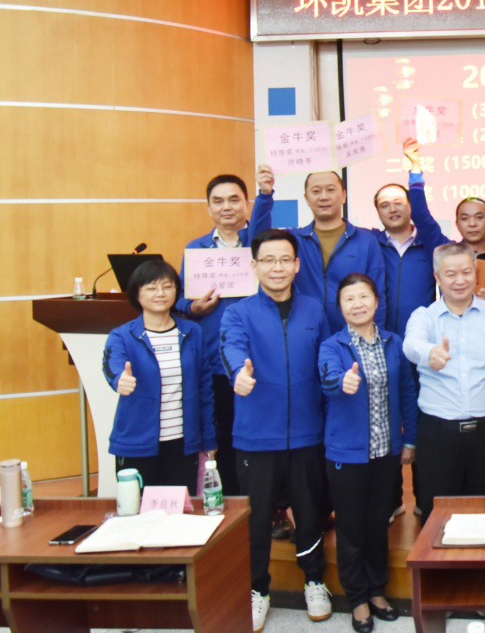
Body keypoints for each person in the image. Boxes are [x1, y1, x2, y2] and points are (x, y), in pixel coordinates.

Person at [402, 242, 485, 633]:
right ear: (437, 277)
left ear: (477, 273)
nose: (459, 280)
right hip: (437, 432)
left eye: (466, 272)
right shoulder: (424, 317)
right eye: (450, 274)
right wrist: (429, 354)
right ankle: (440, 595)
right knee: (436, 516)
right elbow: (410, 345)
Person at [220, 229, 332, 632]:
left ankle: (315, 581)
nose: (277, 268)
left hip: (308, 432)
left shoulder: (315, 310)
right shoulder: (238, 313)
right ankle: (257, 589)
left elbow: (327, 359)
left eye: (285, 259)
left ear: (297, 265)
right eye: (268, 260)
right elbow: (230, 347)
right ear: (254, 266)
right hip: (256, 434)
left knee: (310, 512)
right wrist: (238, 372)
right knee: (256, 518)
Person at [318, 274, 417, 633]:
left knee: (378, 525)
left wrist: (410, 441)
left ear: (376, 302)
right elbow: (328, 378)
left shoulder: (394, 342)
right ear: (340, 307)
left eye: (364, 297)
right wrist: (341, 382)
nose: (357, 304)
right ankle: (357, 597)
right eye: (349, 299)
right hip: (346, 454)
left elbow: (408, 392)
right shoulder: (332, 346)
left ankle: (376, 590)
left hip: (385, 453)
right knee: (350, 528)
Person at [175, 169, 273, 497]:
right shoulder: (197, 249)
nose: (226, 207)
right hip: (214, 361)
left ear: (246, 204)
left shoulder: (260, 244)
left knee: (262, 435)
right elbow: (179, 299)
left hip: (258, 358)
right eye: (218, 201)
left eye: (234, 199)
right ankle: (231, 504)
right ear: (208, 207)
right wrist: (193, 307)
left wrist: (266, 194)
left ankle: (269, 505)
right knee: (225, 436)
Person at [102, 259, 214, 492]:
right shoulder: (122, 335)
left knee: (181, 509)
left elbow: (205, 390)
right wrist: (119, 379)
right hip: (137, 444)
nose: (160, 294)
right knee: (139, 510)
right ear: (137, 294)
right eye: (151, 288)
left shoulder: (192, 332)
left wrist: (209, 439)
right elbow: (112, 364)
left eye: (167, 287)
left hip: (184, 443)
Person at [257, 166, 388, 334]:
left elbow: (378, 296)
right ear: (306, 198)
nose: (324, 197)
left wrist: (374, 339)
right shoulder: (293, 240)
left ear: (344, 195)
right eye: (316, 191)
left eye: (331, 190)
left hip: (352, 337)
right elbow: (258, 241)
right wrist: (265, 195)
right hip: (303, 334)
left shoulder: (366, 241)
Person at [372, 139, 452, 336]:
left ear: (410, 206)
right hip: (381, 340)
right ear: (378, 212)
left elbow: (422, 215)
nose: (392, 209)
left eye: (398, 202)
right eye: (384, 205)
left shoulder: (431, 242)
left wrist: (415, 168)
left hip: (424, 338)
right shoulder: (370, 244)